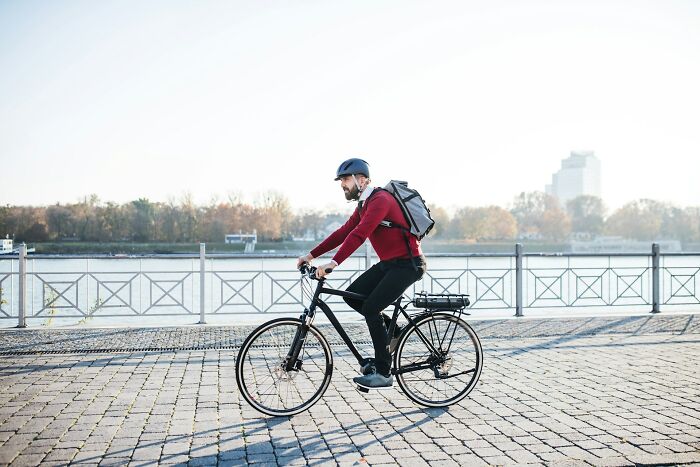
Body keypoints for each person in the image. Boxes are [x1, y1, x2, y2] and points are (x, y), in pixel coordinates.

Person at [296, 158, 426, 390]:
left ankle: (384, 372)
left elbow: (360, 235)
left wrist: (333, 263)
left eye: (345, 179)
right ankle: (393, 331)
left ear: (362, 179)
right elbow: (344, 232)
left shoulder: (380, 200)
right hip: (389, 264)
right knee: (352, 295)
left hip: (408, 265)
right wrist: (311, 255)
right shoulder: (364, 205)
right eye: (341, 181)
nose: (343, 185)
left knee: (370, 308)